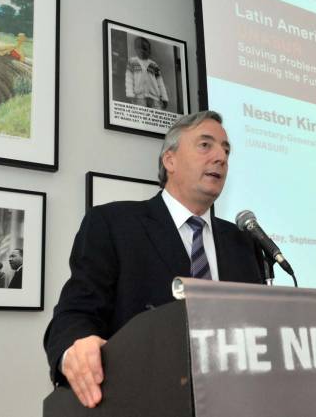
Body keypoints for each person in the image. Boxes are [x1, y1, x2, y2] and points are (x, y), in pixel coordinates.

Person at [43, 110, 263, 408]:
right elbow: (75, 312)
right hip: (146, 401)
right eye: (205, 145)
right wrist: (74, 350)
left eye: (226, 150)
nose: (221, 157)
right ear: (169, 160)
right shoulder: (114, 224)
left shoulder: (242, 241)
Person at [125, 36, 169, 110]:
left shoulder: (153, 65)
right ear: (135, 49)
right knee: (140, 114)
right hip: (139, 98)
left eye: (145, 49)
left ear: (149, 51)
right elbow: (129, 79)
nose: (141, 50)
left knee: (155, 115)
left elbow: (160, 82)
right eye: (138, 48)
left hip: (155, 99)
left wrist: (164, 98)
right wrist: (129, 94)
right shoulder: (132, 62)